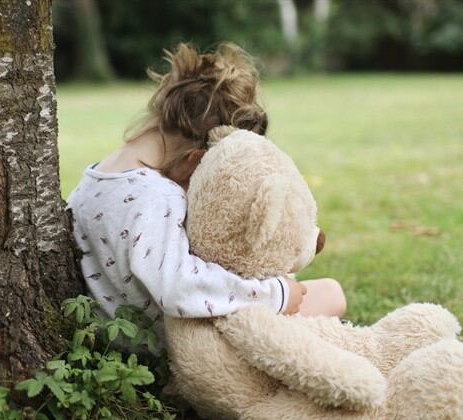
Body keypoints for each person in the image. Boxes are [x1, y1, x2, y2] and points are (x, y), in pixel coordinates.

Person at [65, 42, 345, 351]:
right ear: (199, 156)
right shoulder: (157, 196)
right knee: (330, 294)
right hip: (180, 344)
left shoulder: (92, 180)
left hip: (124, 335)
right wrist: (273, 294)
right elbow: (178, 287)